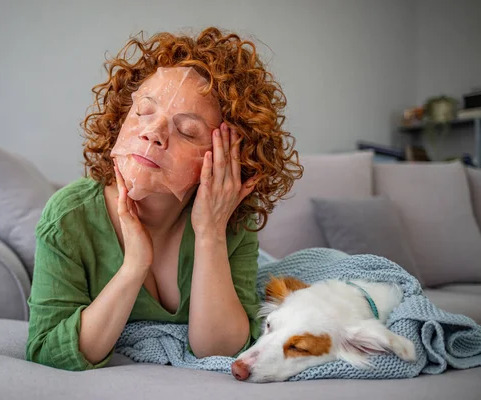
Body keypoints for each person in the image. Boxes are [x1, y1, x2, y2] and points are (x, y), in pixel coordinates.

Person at [25, 26, 303, 371]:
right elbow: (47, 352)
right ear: (121, 116)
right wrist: (134, 267)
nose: (153, 132)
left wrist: (210, 233)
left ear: (228, 158)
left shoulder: (230, 220)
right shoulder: (69, 217)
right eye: (144, 111)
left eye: (187, 130)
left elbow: (219, 351)